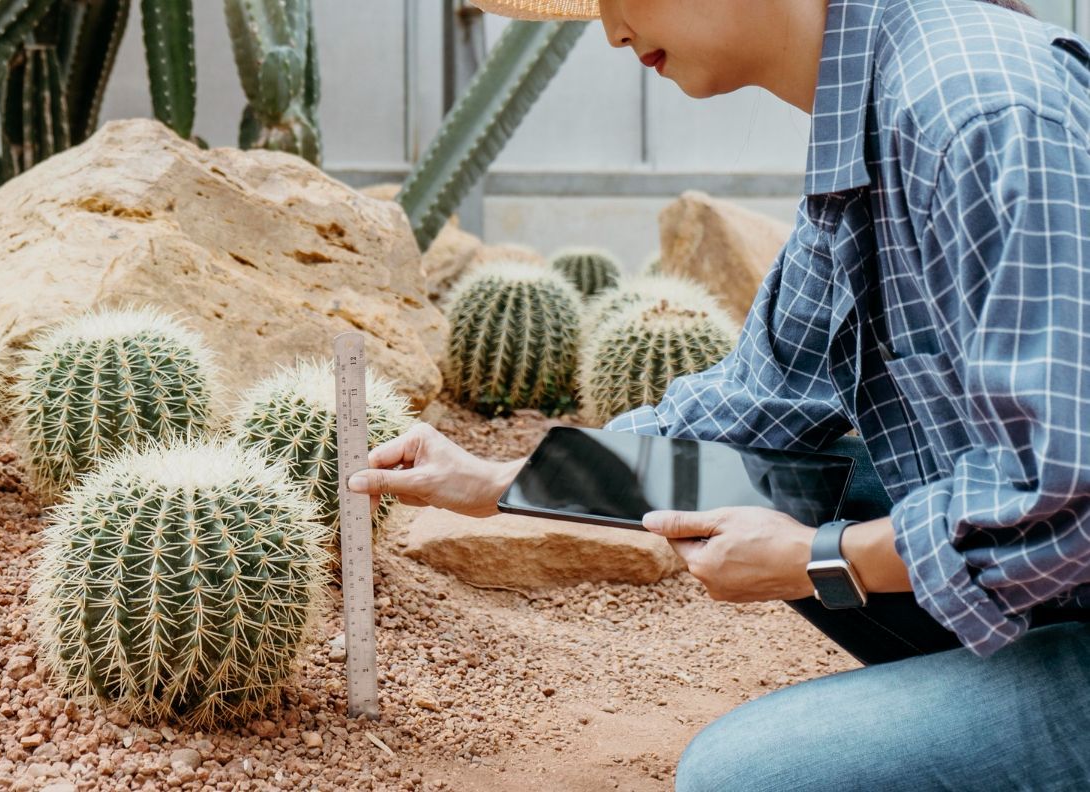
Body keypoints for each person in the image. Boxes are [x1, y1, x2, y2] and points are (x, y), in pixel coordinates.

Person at [346, 0, 1090, 788]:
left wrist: (820, 560)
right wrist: (497, 482)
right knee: (772, 474)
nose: (611, 30)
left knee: (738, 777)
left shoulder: (974, 110)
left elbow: (1066, 491)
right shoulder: (873, 114)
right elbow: (746, 405)